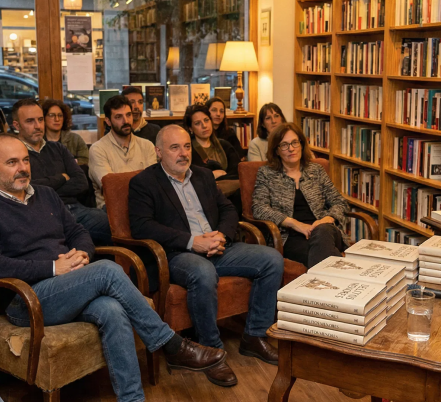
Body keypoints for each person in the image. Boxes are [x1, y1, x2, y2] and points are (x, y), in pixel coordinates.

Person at [0, 133, 226, 402]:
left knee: (111, 308)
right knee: (108, 271)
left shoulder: (46, 195)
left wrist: (83, 254)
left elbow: (78, 231)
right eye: (11, 163)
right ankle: (171, 345)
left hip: (69, 286)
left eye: (24, 160)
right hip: (27, 300)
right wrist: (53, 267)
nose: (22, 168)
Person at [129, 125, 284, 387]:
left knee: (272, 259)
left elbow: (228, 209)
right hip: (176, 255)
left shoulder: (202, 176)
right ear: (158, 152)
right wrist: (193, 242)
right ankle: (210, 351)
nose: (183, 153)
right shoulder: (143, 183)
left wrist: (221, 235)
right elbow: (143, 226)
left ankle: (254, 336)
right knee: (202, 271)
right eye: (174, 147)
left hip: (218, 246)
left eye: (187, 146)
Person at [11, 99, 113, 246]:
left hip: (76, 210)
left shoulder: (58, 148)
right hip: (43, 216)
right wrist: (61, 178)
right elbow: (27, 189)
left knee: (119, 224)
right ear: (16, 125)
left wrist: (45, 186)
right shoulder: (14, 154)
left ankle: (133, 267)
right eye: (30, 121)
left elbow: (81, 182)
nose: (37, 126)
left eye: (40, 120)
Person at [252, 123, 349, 268]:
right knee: (321, 255)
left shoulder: (316, 170)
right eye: (284, 145)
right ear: (277, 151)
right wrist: (294, 223)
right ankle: (343, 277)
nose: (291, 148)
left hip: (325, 231)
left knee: (322, 234)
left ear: (302, 145)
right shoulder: (266, 174)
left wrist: (327, 219)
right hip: (291, 237)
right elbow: (259, 208)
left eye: (294, 143)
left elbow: (339, 202)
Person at [89, 95, 156, 209]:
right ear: (108, 121)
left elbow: (154, 183)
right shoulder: (98, 149)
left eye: (128, 115)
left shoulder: (147, 146)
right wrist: (140, 178)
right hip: (113, 209)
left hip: (146, 205)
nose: (126, 121)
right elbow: (112, 187)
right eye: (118, 117)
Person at [184, 104, 239, 180]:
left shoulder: (225, 145)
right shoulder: (188, 151)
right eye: (197, 123)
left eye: (206, 120)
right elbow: (191, 178)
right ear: (190, 128)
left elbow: (237, 172)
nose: (204, 126)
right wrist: (211, 175)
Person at [42, 98, 89, 166]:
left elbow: (85, 161)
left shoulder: (75, 139)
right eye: (52, 115)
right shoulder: (38, 140)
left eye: (60, 115)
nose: (57, 119)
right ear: (43, 118)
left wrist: (71, 163)